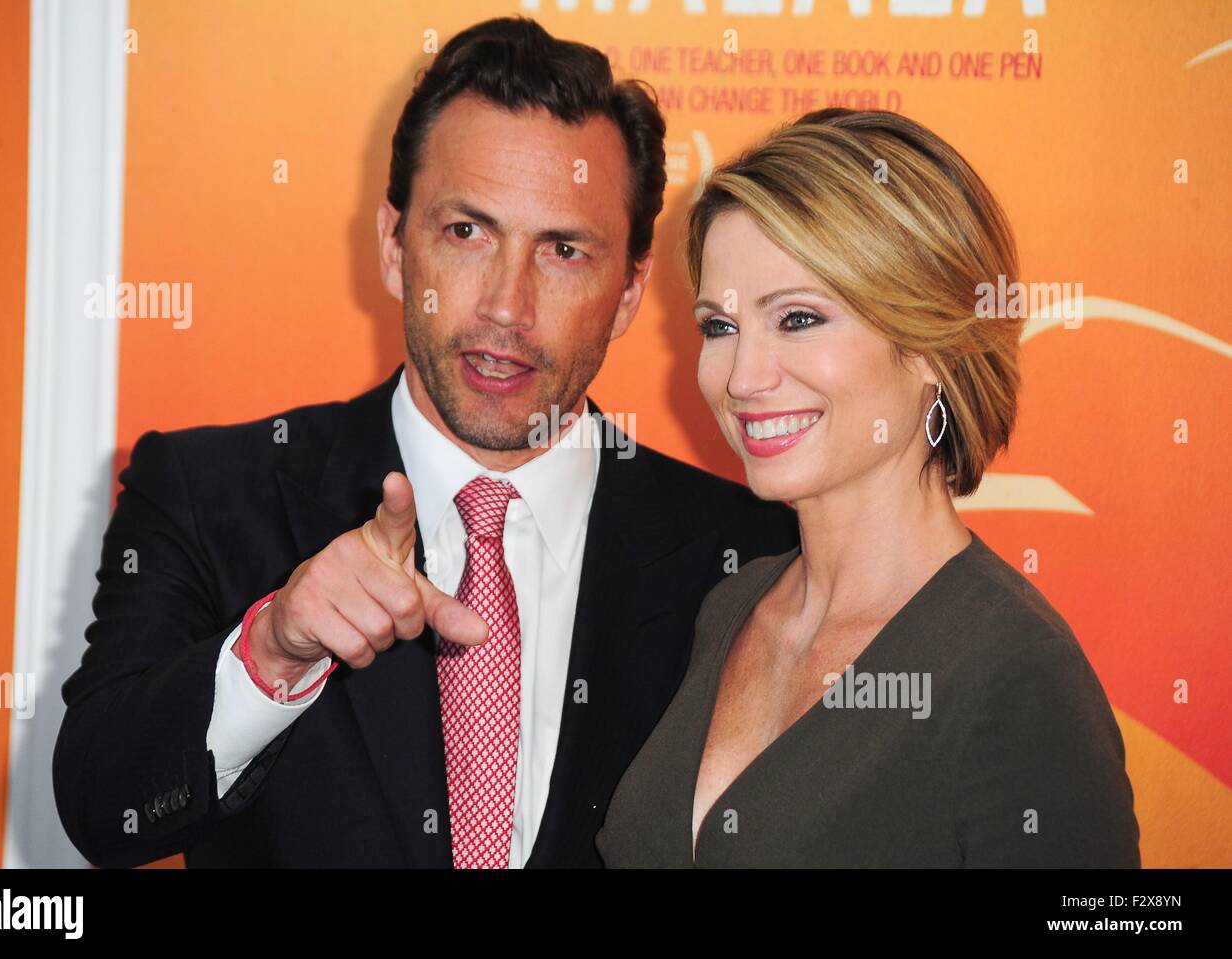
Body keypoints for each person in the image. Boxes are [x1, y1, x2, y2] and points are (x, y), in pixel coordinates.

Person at [52, 17, 797, 869]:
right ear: (394, 246)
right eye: (466, 232)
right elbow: (105, 809)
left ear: (629, 292)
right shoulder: (209, 490)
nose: (506, 308)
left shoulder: (753, 553)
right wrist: (271, 650)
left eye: (562, 250)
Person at [596, 108, 1141, 867]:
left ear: (929, 346)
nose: (742, 378)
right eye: (719, 327)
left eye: (797, 318)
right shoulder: (733, 607)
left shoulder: (1016, 674)